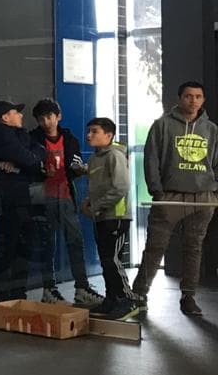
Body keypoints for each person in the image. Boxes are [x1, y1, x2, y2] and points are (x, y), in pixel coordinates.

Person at [130, 81, 218, 317]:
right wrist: (157, 191)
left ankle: (188, 297)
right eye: (189, 96)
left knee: (194, 248)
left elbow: (216, 164)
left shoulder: (211, 129)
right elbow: (151, 159)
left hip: (203, 198)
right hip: (169, 196)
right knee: (155, 247)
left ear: (203, 100)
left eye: (198, 96)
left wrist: (214, 192)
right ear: (180, 98)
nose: (193, 101)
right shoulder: (162, 126)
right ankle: (139, 293)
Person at [29, 98, 96, 305]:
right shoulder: (31, 139)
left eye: (50, 117)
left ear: (58, 117)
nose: (46, 122)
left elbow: (75, 164)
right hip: (42, 198)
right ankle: (49, 289)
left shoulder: (69, 139)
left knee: (75, 241)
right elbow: (27, 164)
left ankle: (82, 288)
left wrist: (79, 170)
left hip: (65, 196)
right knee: (47, 244)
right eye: (41, 119)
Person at [0, 100, 46, 302]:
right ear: (5, 117)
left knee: (24, 246)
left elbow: (39, 152)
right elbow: (30, 159)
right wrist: (30, 160)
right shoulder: (1, 135)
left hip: (23, 198)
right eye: (16, 113)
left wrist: (27, 161)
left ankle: (19, 292)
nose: (21, 116)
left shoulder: (20, 134)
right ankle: (4, 297)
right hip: (9, 201)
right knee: (8, 247)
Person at [82, 117, 136, 320]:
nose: (89, 135)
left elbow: (121, 187)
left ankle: (128, 299)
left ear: (109, 135)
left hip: (117, 216)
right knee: (106, 260)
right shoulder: (94, 159)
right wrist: (88, 202)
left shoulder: (115, 155)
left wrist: (97, 206)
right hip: (101, 217)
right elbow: (97, 187)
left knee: (112, 259)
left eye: (94, 131)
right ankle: (111, 299)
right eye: (89, 131)